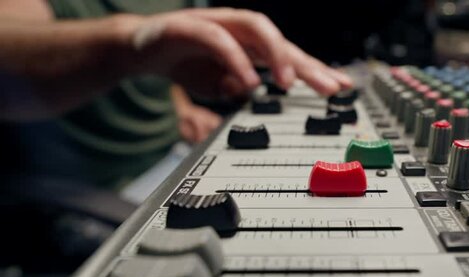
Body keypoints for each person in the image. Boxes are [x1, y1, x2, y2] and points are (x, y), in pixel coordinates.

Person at [0, 0, 352, 190]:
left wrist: (181, 106)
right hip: (100, 191)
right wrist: (131, 41)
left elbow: (164, 64)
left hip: (176, 155)